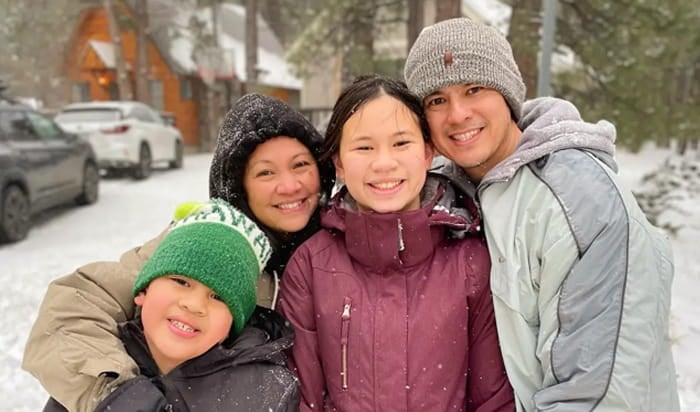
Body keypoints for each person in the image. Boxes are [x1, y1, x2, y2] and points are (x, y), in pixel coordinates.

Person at [404, 17, 680, 412]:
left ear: (508, 94)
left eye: (474, 89)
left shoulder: (582, 200)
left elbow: (598, 392)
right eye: (436, 100)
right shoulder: (443, 198)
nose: (457, 114)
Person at [22, 93, 335, 411]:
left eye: (301, 165)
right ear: (239, 185)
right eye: (266, 173)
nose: (290, 185)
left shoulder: (345, 245)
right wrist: (118, 395)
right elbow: (73, 311)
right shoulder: (199, 243)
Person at [276, 75, 514, 412]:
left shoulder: (470, 262)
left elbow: (492, 399)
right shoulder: (312, 266)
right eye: (364, 147)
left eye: (401, 143)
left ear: (428, 152)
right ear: (340, 163)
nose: (384, 163)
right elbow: (301, 401)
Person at [44, 199, 298, 411]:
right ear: (143, 291)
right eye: (180, 281)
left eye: (219, 296)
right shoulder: (97, 364)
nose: (194, 304)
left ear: (234, 322)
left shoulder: (265, 391)